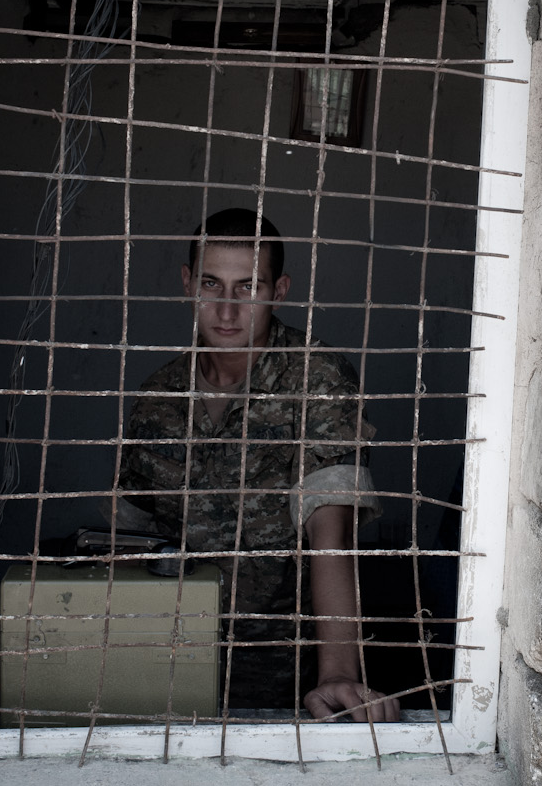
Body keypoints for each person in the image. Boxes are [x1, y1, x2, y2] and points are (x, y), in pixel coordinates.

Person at [121, 208, 399, 721]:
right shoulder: (157, 398)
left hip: (288, 676)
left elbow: (330, 531)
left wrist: (338, 672)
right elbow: (130, 543)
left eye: (248, 287)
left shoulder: (317, 377)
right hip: (169, 669)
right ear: (187, 284)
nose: (227, 310)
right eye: (211, 284)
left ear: (279, 290)